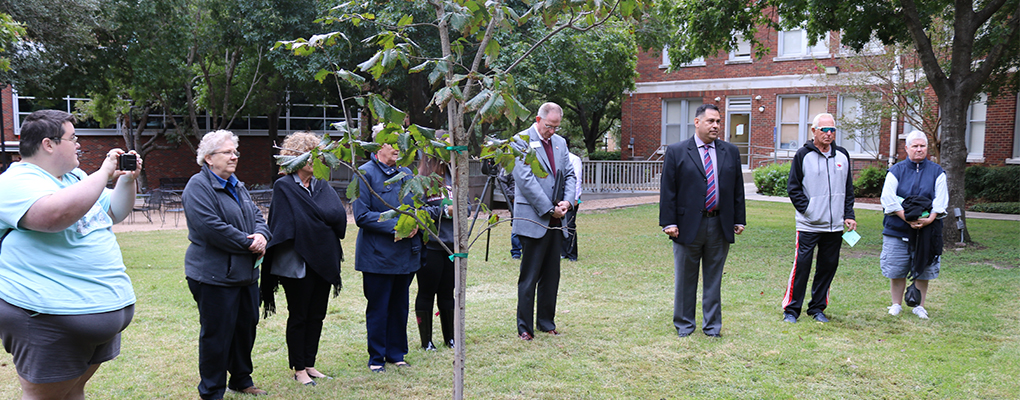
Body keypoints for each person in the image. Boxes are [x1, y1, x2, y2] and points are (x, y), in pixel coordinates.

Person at [0, 110, 138, 399]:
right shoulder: (14, 181)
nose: (78, 144)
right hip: (45, 315)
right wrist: (103, 173)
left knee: (73, 390)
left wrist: (125, 179)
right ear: (49, 144)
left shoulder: (75, 177)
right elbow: (54, 215)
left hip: (98, 313)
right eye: (73, 137)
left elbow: (114, 211)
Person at [182, 130, 272, 399]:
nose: (234, 157)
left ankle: (241, 379)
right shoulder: (198, 187)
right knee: (217, 335)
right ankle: (212, 391)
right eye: (228, 152)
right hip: (213, 276)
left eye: (235, 152)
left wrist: (262, 235)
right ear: (208, 158)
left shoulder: (237, 184)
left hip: (245, 274)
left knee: (245, 329)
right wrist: (249, 243)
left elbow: (257, 215)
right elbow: (211, 228)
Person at [261, 131, 346, 386]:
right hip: (296, 263)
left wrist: (314, 221)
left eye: (318, 156)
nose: (314, 160)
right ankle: (298, 368)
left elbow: (338, 218)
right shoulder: (284, 186)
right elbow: (286, 225)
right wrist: (320, 223)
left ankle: (310, 363)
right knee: (299, 315)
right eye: (309, 156)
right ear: (296, 158)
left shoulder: (322, 185)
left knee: (317, 314)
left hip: (323, 260)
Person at [659, 103, 746, 338]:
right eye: (711, 121)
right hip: (687, 227)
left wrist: (739, 218)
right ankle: (685, 325)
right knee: (686, 280)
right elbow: (668, 190)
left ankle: (712, 327)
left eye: (718, 121)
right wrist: (668, 222)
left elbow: (737, 188)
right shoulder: (677, 151)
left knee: (713, 279)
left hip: (719, 224)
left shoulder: (730, 152)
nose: (716, 125)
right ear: (697, 122)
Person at [353, 124, 420, 372]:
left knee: (400, 306)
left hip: (405, 255)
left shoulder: (406, 173)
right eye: (395, 142)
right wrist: (397, 227)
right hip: (377, 256)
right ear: (380, 143)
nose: (400, 147)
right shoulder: (365, 173)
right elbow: (362, 215)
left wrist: (415, 223)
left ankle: (396, 353)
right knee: (379, 307)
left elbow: (416, 206)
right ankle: (377, 358)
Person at [782, 113, 857, 323]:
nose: (829, 134)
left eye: (832, 130)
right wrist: (810, 211)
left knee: (827, 267)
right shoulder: (802, 155)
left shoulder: (842, 155)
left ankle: (817, 308)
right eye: (824, 130)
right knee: (802, 266)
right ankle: (791, 310)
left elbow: (848, 190)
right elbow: (793, 188)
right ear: (813, 131)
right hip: (809, 225)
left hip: (834, 227)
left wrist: (848, 215)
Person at [511, 102, 576, 341]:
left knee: (551, 275)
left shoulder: (560, 143)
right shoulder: (520, 140)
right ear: (538, 120)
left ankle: (546, 321)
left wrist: (567, 203)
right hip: (533, 217)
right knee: (529, 276)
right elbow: (525, 180)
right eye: (549, 126)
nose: (552, 131)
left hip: (557, 219)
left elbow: (569, 174)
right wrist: (549, 209)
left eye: (556, 127)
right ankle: (524, 327)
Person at [879, 130, 947, 320]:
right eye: (915, 146)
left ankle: (919, 305)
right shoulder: (896, 171)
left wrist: (931, 218)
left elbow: (941, 200)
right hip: (897, 229)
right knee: (897, 268)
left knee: (923, 268)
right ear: (907, 148)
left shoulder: (937, 172)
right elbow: (888, 198)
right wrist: (906, 217)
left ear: (928, 148)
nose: (919, 149)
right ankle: (895, 304)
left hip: (928, 231)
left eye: (922, 146)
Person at [415, 132, 456, 350]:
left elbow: (466, 206)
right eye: (447, 148)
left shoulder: (455, 176)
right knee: (427, 292)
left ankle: (450, 337)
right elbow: (418, 212)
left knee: (448, 292)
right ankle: (426, 341)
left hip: (452, 245)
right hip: (430, 244)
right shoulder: (421, 179)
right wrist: (445, 211)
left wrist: (458, 210)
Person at [560, 143, 583, 261]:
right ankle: (563, 252)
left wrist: (575, 197)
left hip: (571, 196)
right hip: (558, 196)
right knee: (559, 225)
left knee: (569, 224)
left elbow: (577, 179)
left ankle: (572, 253)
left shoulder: (574, 159)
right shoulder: (556, 158)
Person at [496, 165, 523, 259]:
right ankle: (516, 252)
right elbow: (501, 181)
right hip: (515, 200)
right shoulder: (509, 165)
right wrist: (511, 196)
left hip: (530, 200)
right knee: (516, 224)